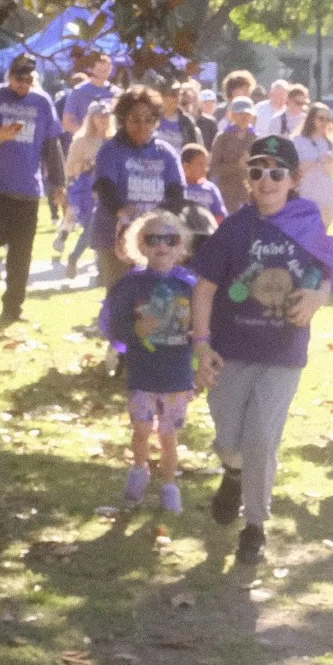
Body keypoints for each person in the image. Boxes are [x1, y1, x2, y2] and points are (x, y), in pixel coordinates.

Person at [191, 135, 333, 564]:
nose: (266, 180)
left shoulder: (308, 223)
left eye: (277, 173)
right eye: (257, 172)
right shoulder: (234, 227)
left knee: (260, 439)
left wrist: (318, 297)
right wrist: (201, 346)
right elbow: (204, 289)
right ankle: (233, 474)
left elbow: (330, 271)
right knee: (229, 438)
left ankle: (255, 525)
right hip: (231, 349)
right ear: (248, 179)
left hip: (282, 353)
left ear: (294, 179)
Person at [98, 211, 199, 513]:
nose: (162, 245)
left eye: (170, 239)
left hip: (177, 375)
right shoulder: (130, 285)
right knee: (141, 430)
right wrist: (135, 331)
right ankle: (139, 469)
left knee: (168, 436)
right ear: (140, 245)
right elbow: (114, 325)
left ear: (181, 245)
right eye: (153, 239)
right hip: (142, 373)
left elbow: (206, 327)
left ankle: (169, 485)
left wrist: (198, 343)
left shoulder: (190, 285)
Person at [0, 54, 66, 322]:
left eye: (29, 80)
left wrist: (58, 183)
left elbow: (52, 145)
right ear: (9, 77)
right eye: (20, 80)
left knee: (21, 255)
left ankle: (13, 308)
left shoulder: (42, 102)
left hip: (27, 190)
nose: (24, 85)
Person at [89, 86, 189, 290]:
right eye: (135, 119)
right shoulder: (111, 150)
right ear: (123, 119)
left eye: (148, 119)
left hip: (156, 238)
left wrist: (155, 219)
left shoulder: (166, 153)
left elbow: (177, 194)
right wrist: (123, 211)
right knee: (121, 296)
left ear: (156, 121)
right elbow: (105, 187)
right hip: (116, 238)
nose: (142, 125)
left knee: (154, 298)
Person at [61, 105, 114, 278]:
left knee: (103, 229)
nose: (104, 119)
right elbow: (69, 168)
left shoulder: (114, 141)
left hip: (109, 191)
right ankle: (75, 258)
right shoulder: (81, 141)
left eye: (106, 116)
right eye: (100, 116)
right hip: (86, 191)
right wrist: (86, 165)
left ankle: (100, 268)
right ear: (91, 119)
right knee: (92, 227)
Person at [291, 102, 333, 226]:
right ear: (312, 119)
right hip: (306, 198)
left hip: (328, 200)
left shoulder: (332, 143)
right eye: (321, 118)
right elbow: (295, 168)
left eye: (328, 119)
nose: (324, 122)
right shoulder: (298, 141)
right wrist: (318, 161)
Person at [59, 50, 118, 135]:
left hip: (111, 140)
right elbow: (68, 122)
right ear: (91, 69)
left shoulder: (116, 93)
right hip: (86, 139)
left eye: (107, 69)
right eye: (101, 70)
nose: (105, 73)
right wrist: (87, 135)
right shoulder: (78, 92)